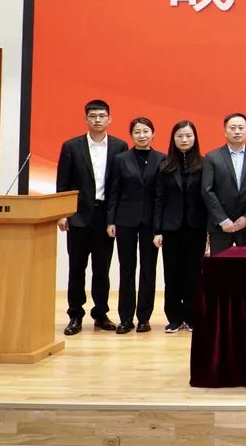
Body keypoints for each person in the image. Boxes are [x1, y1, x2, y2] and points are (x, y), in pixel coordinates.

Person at [56, 98, 128, 336]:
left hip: (105, 217)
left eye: (102, 116)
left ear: (110, 119)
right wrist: (63, 214)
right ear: (85, 119)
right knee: (77, 268)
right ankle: (75, 314)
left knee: (102, 269)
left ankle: (100, 313)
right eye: (93, 116)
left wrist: (114, 218)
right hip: (78, 216)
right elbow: (63, 183)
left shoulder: (119, 146)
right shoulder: (71, 146)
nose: (98, 120)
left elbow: (119, 185)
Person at [106, 117, 163, 334]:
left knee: (148, 270)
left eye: (146, 131)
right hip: (125, 220)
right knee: (127, 269)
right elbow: (114, 191)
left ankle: (144, 318)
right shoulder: (121, 159)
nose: (142, 135)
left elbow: (161, 196)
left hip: (150, 222)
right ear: (131, 135)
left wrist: (159, 228)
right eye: (137, 132)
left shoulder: (162, 159)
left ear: (153, 133)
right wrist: (111, 220)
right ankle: (126, 318)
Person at [153, 120, 206, 334]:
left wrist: (209, 233)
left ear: (195, 138)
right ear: (173, 139)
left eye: (188, 136)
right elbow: (159, 199)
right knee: (172, 274)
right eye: (180, 136)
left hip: (196, 228)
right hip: (171, 229)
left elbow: (206, 199)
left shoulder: (204, 164)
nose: (184, 140)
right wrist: (157, 230)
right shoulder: (164, 165)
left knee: (194, 274)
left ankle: (192, 316)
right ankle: (174, 317)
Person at [201, 112, 246, 255]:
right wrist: (223, 220)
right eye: (232, 128)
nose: (237, 131)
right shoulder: (212, 157)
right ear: (225, 132)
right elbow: (207, 190)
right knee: (220, 266)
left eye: (241, 128)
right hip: (220, 226)